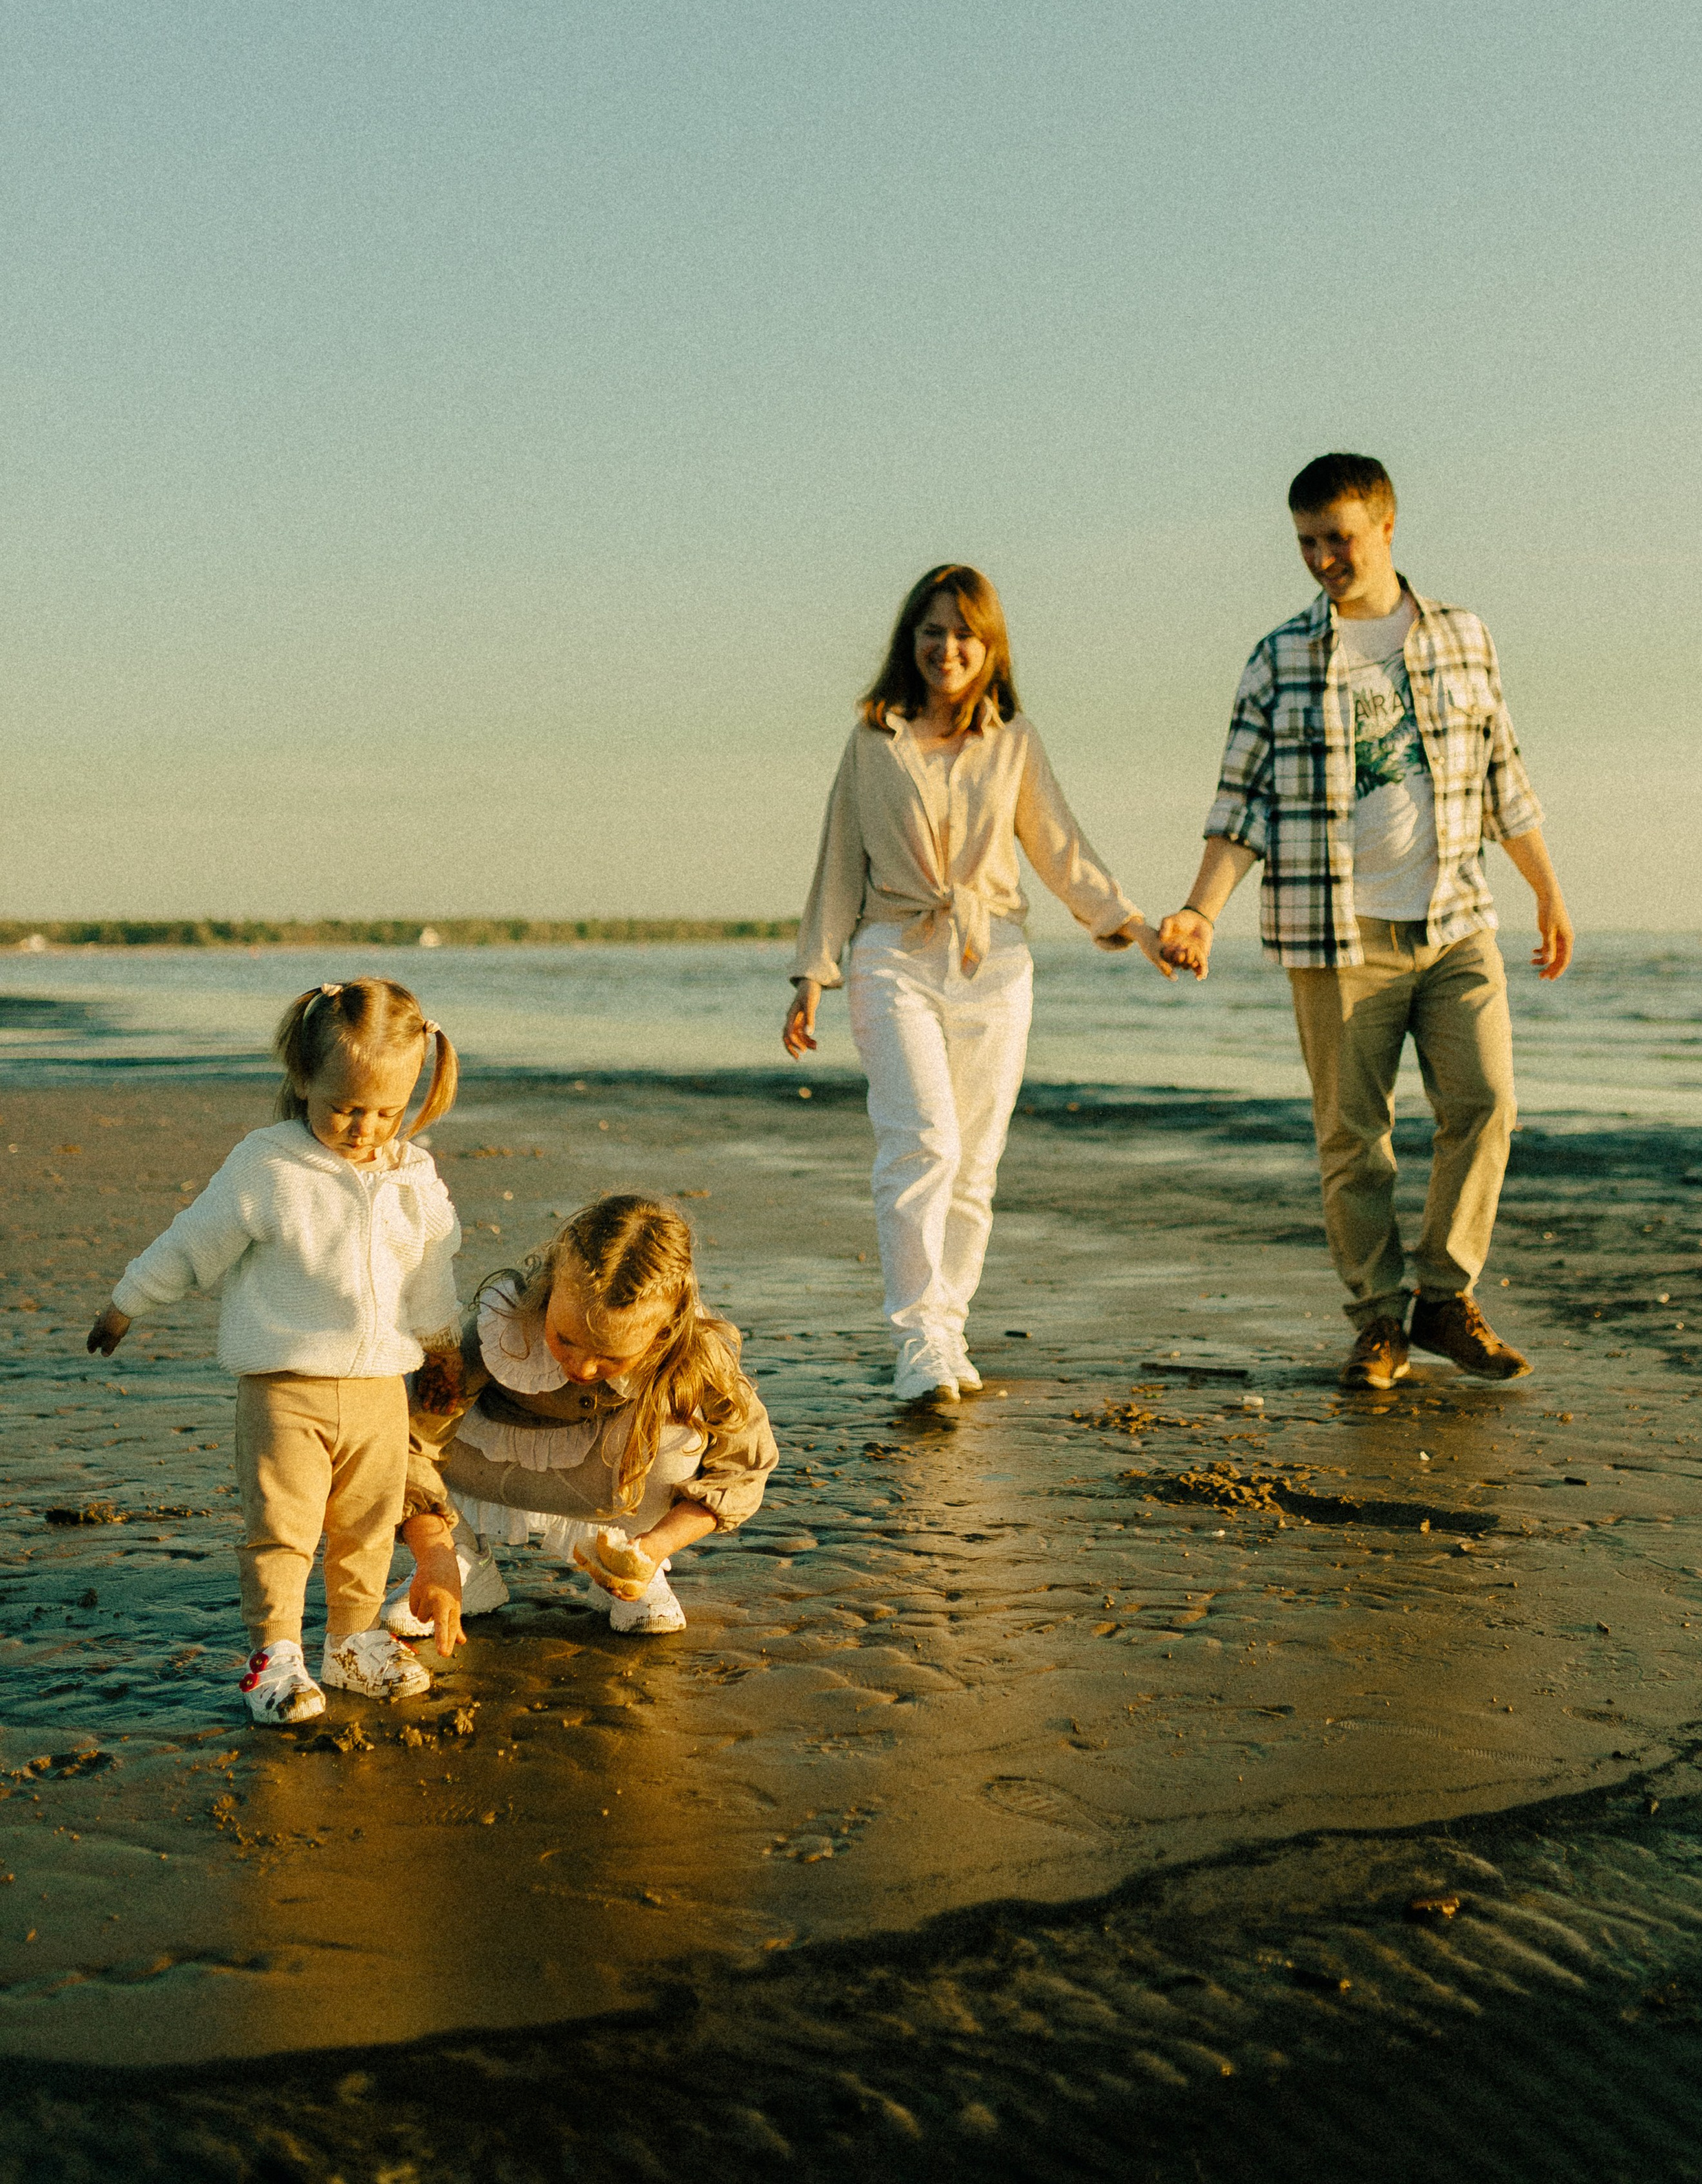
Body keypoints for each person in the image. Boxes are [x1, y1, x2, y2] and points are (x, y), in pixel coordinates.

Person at [1158, 454, 1572, 1391]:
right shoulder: (1280, 658)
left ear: (1386, 526)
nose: (1322, 559)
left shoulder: (1464, 638)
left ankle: (1446, 1296)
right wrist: (1198, 910)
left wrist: (1546, 889)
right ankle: (1380, 1321)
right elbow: (1242, 803)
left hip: (1457, 920)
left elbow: (1504, 770)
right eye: (1306, 542)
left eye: (1337, 539)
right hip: (1335, 936)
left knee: (1487, 1102)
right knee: (1355, 1137)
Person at [784, 563, 1171, 1418]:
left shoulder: (1015, 741)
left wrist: (1136, 926)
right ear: (908, 640)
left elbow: (1059, 847)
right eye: (931, 629)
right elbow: (837, 860)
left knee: (975, 1161)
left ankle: (948, 1325)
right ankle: (916, 1336)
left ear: (989, 646)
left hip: (995, 961)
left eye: (964, 632)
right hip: (893, 952)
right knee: (920, 1142)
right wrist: (814, 972)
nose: (946, 647)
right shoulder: (872, 739)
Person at [87, 978, 462, 1723]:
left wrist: (442, 1343)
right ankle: (275, 1656)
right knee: (283, 1531)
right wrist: (128, 1300)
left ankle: (352, 1641)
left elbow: (430, 1268)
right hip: (285, 1388)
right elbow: (196, 1242)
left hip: (381, 1389)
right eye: (344, 1108)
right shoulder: (269, 1165)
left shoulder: (412, 1175)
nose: (364, 1129)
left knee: (365, 1528)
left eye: (386, 1112)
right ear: (303, 1081)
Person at [387, 1193, 777, 1642]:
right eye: (566, 1339)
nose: (583, 1368)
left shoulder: (695, 1353)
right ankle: (462, 1561)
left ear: (663, 1331)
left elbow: (745, 1468)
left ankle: (630, 1565)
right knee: (400, 1398)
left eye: (609, 1356)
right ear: (552, 1287)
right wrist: (433, 1553)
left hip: (613, 1485)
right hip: (485, 1468)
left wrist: (652, 1549)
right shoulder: (504, 1324)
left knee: (682, 1431)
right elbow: (414, 1443)